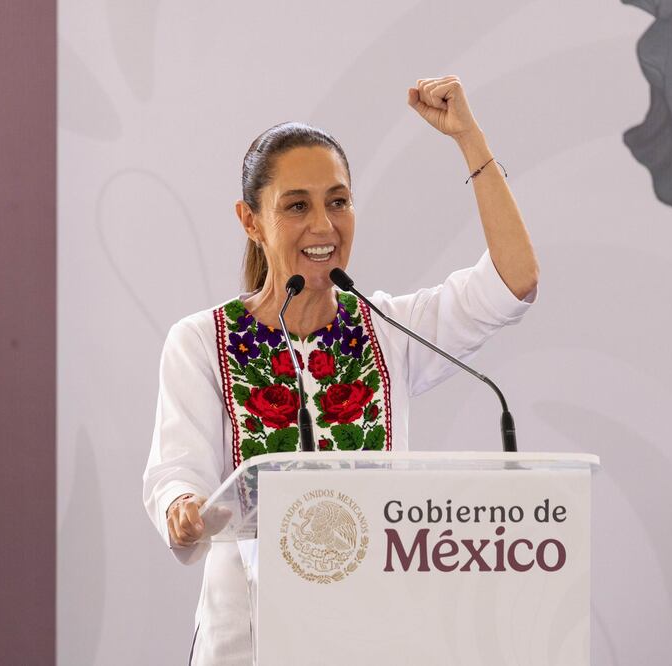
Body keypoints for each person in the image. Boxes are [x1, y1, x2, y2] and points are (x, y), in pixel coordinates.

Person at [142, 75, 539, 665]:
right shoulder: (202, 341)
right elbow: (178, 472)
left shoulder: (389, 330)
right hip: (246, 643)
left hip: (373, 636)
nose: (324, 226)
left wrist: (470, 140)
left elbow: (514, 281)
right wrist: (182, 509)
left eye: (339, 201)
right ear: (250, 220)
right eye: (297, 206)